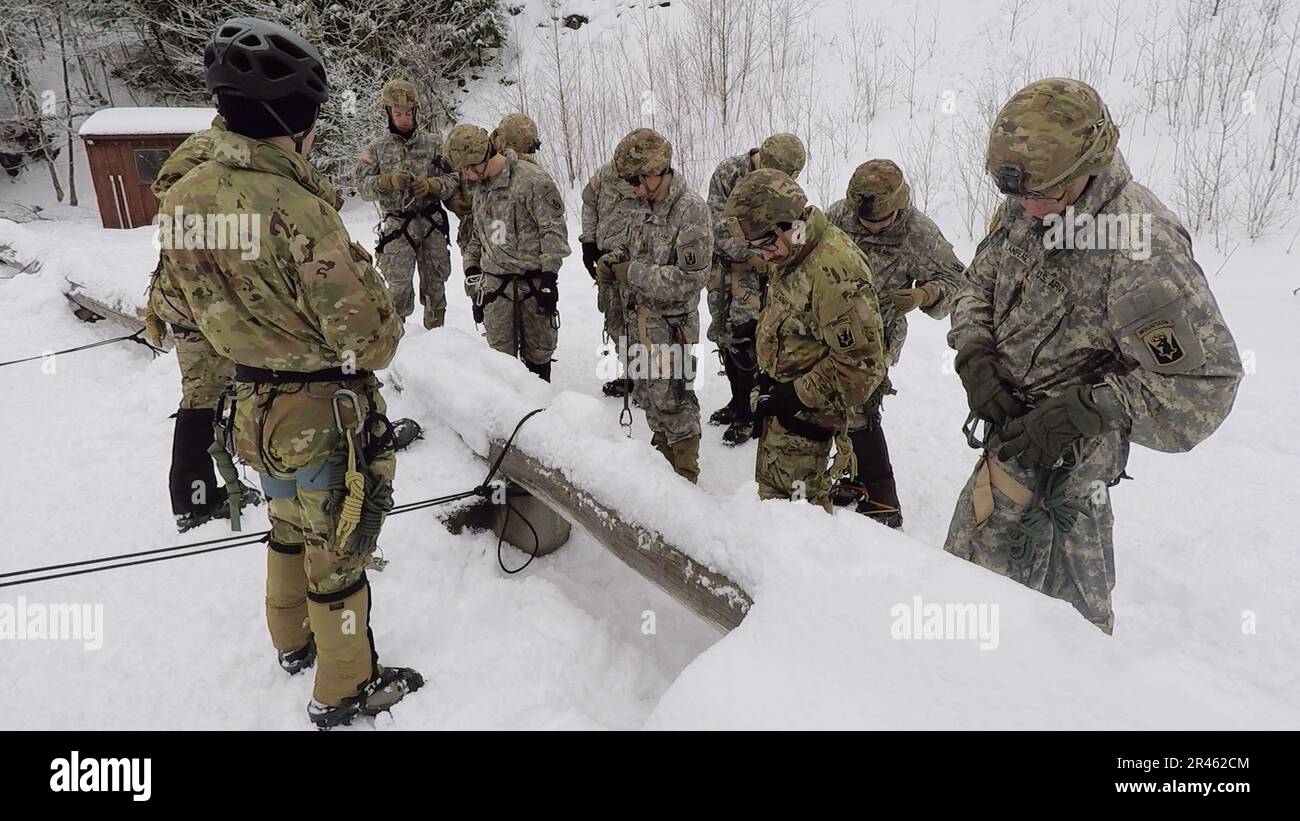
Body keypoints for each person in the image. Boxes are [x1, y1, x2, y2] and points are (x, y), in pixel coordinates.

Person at [155, 17, 422, 727]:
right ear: (293, 120)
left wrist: (195, 420)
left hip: (252, 412)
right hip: (319, 417)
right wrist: (367, 276)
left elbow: (176, 313)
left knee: (283, 525)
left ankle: (290, 639)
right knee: (337, 553)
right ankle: (343, 687)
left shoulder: (183, 199)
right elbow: (371, 339)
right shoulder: (298, 210)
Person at [946, 77, 1243, 633]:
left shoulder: (1138, 243)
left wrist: (1083, 411)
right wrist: (975, 354)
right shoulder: (1031, 202)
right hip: (1009, 445)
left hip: (1069, 474)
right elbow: (976, 285)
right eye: (1019, 195)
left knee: (1061, 638)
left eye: (1045, 195)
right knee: (967, 599)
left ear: (1091, 161)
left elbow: (1204, 389)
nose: (1030, 209)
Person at [724, 169, 886, 509]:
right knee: (774, 509)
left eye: (766, 245)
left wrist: (796, 395)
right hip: (783, 416)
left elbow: (864, 368)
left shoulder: (836, 272)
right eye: (756, 248)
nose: (765, 256)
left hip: (807, 423)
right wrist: (758, 328)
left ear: (790, 224)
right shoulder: (793, 251)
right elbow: (800, 317)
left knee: (799, 519)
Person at [824, 159, 964, 527]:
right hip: (830, 327)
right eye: (864, 220)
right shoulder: (841, 215)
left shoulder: (918, 233)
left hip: (877, 335)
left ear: (899, 205)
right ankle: (851, 479)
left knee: (862, 409)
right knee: (831, 404)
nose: (870, 227)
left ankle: (885, 501)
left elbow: (959, 282)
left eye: (879, 222)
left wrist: (926, 295)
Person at [599, 128, 711, 481]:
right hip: (639, 323)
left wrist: (630, 272)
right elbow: (634, 250)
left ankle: (684, 476)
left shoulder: (690, 210)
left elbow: (689, 279)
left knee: (675, 403)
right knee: (648, 397)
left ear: (656, 172)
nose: (631, 187)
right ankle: (661, 471)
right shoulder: (640, 205)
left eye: (635, 179)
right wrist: (612, 259)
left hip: (671, 326)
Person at [447, 123, 569, 381]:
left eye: (469, 168)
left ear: (484, 156)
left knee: (539, 358)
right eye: (463, 171)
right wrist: (472, 271)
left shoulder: (531, 180)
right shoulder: (481, 188)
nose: (466, 176)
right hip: (495, 290)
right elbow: (479, 235)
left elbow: (553, 231)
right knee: (500, 365)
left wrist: (549, 279)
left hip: (533, 286)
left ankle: (540, 412)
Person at [705, 133, 806, 446]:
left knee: (752, 338)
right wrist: (751, 254)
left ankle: (748, 413)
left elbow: (795, 224)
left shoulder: (784, 184)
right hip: (729, 271)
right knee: (728, 337)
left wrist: (784, 256)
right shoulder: (728, 174)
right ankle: (737, 401)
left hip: (767, 270)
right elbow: (718, 225)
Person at [355, 79, 458, 329]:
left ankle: (436, 338)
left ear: (415, 112)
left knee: (435, 286)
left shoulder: (435, 143)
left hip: (431, 223)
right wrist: (387, 181)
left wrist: (433, 186)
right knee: (397, 288)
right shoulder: (376, 148)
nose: (404, 119)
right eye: (398, 113)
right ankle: (397, 345)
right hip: (397, 225)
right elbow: (361, 186)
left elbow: (455, 179)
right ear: (389, 113)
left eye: (408, 113)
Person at [579, 161, 639, 397]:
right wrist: (588, 241)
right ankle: (631, 374)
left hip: (634, 262)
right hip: (606, 261)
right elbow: (588, 204)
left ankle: (646, 381)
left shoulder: (646, 176)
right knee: (615, 322)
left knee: (637, 324)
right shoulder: (604, 175)